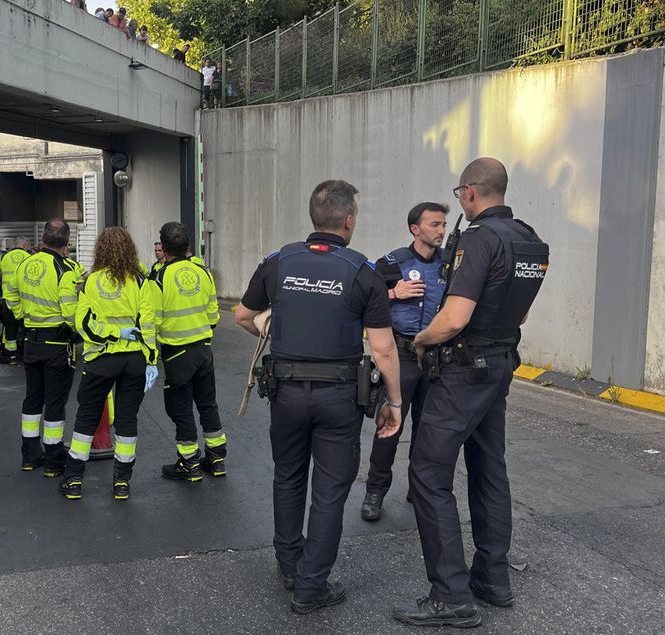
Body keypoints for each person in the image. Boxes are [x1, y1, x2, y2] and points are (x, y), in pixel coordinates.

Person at [234, 180, 402, 615]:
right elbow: (384, 349)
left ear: (314, 216)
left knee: (288, 477)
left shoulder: (278, 262)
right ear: (348, 220)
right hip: (339, 398)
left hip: (286, 392)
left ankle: (290, 566)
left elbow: (243, 315)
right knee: (329, 491)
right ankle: (310, 587)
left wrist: (276, 332)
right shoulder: (362, 271)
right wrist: (395, 402)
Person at [393, 158, 548, 628]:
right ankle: (492, 579)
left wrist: (422, 341)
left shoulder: (479, 238)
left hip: (462, 368)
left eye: (459, 193)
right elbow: (520, 314)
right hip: (499, 364)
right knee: (489, 468)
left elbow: (455, 317)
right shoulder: (529, 239)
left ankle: (450, 595)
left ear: (470, 192)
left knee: (427, 473)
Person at [361, 202, 449, 522]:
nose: (441, 231)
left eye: (443, 224)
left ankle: (419, 489)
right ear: (415, 229)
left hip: (437, 360)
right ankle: (375, 492)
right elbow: (363, 299)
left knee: (430, 431)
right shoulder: (392, 263)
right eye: (434, 225)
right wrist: (393, 294)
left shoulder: (451, 264)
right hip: (402, 358)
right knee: (389, 428)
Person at [60, 227, 160, 501]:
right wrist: (152, 359)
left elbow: (83, 324)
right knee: (127, 420)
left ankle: (74, 480)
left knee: (87, 416)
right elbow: (148, 323)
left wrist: (113, 334)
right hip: (134, 359)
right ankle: (122, 483)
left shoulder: (91, 281)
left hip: (101, 360)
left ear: (100, 250)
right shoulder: (139, 281)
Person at [151, 222, 226, 481]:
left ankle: (189, 462)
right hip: (203, 349)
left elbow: (152, 321)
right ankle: (216, 459)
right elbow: (213, 313)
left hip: (176, 353)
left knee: (180, 408)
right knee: (207, 404)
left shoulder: (159, 277)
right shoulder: (202, 272)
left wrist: (149, 355)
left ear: (164, 247)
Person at [6, 220, 81, 476]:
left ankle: (29, 455)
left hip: (31, 340)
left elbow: (10, 294)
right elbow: (70, 312)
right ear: (67, 242)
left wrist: (23, 316)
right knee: (55, 402)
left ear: (43, 238)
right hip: (57, 343)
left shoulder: (25, 264)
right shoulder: (65, 270)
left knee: (33, 398)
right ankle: (53, 459)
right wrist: (80, 331)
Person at [0, 237, 31, 364]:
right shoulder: (29, 258)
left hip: (8, 298)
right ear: (24, 245)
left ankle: (11, 355)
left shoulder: (4, 257)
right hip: (24, 299)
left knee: (9, 327)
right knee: (25, 327)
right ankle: (25, 353)